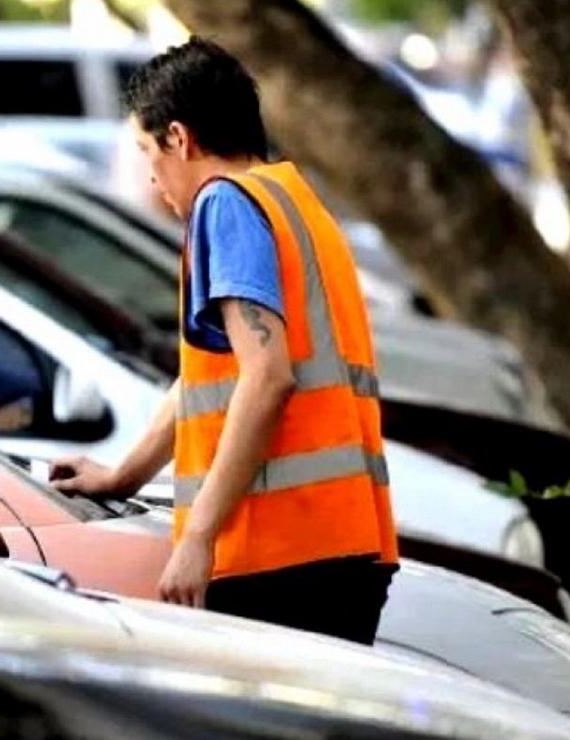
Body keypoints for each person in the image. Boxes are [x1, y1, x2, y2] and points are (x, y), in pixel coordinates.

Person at [49, 37, 398, 645]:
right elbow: (217, 375)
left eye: (146, 151)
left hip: (276, 559)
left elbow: (267, 377)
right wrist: (124, 476)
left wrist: (198, 537)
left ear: (179, 139)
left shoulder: (224, 204)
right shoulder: (292, 198)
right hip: (343, 548)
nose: (153, 178)